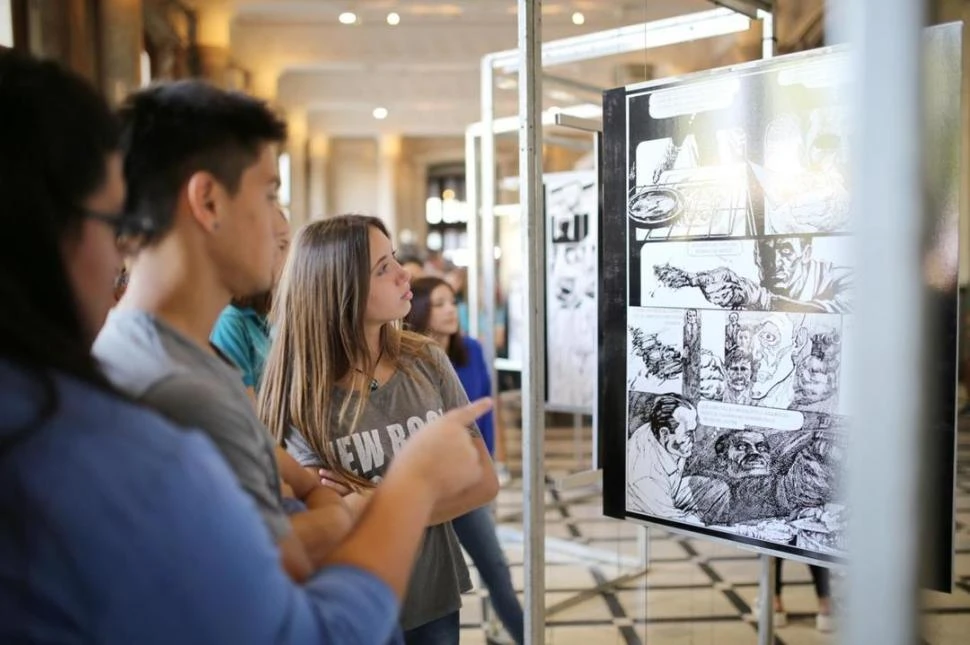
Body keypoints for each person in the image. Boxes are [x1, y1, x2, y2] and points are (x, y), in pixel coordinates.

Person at [0, 49, 489, 644]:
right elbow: (302, 625)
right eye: (268, 194)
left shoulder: (179, 361)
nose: (281, 225)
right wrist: (410, 484)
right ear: (208, 202)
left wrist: (320, 500)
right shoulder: (169, 396)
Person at [259, 215, 499, 645]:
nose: (405, 274)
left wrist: (369, 499)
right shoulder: (300, 392)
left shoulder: (425, 359)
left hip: (432, 597)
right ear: (341, 289)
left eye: (395, 260)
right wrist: (428, 485)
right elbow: (321, 519)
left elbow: (482, 482)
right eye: (383, 268)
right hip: (351, 606)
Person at [405, 276, 524, 645]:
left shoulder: (470, 350)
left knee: (496, 566)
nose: (450, 310)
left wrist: (492, 461)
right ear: (419, 309)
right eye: (439, 303)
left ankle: (526, 636)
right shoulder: (407, 361)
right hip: (429, 491)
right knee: (426, 587)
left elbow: (485, 412)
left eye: (452, 301)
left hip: (468, 484)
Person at [210, 206, 291, 394]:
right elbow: (246, 405)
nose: (290, 257)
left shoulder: (262, 319)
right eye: (282, 246)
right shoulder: (230, 321)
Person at [626, 393, 701, 523]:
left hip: (670, 489)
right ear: (665, 434)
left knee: (716, 489)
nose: (694, 439)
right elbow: (674, 520)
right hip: (648, 507)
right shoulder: (645, 475)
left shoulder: (663, 437)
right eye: (688, 433)